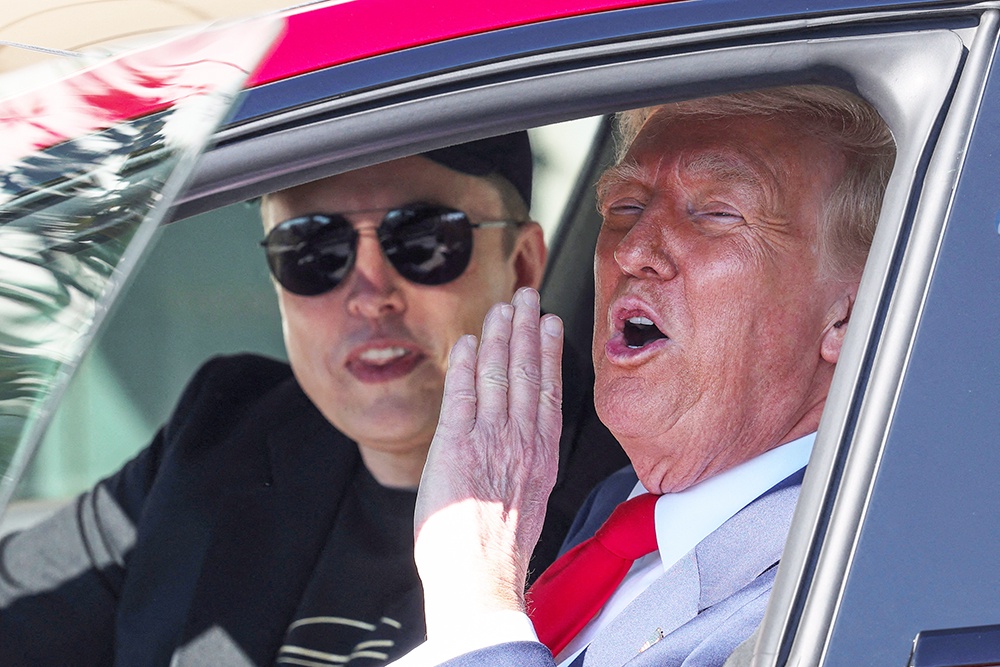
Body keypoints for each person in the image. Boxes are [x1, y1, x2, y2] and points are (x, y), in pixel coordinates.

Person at [0, 134, 629, 666]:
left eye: (422, 240)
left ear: (521, 265)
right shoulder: (223, 428)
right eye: (313, 250)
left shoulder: (633, 484)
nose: (370, 294)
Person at [394, 86, 897, 667]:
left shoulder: (833, 595)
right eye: (625, 207)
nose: (632, 250)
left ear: (847, 315)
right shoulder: (619, 509)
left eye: (717, 213)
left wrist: (475, 600)